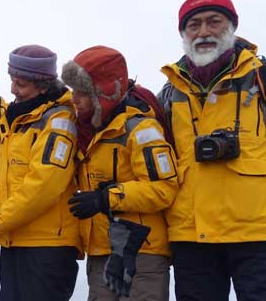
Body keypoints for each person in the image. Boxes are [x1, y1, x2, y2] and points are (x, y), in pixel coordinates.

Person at [158, 0, 266, 301]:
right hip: (191, 236)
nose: (204, 32)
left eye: (214, 21)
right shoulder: (169, 93)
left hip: (259, 233)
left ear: (232, 26)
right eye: (193, 25)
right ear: (183, 33)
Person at [61, 46, 178, 301]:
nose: (75, 99)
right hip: (102, 253)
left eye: (83, 91)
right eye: (73, 91)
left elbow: (164, 189)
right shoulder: (87, 131)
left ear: (104, 90)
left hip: (142, 255)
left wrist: (106, 199)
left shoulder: (142, 129)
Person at [0, 45, 79, 301]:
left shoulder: (60, 121)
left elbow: (44, 183)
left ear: (43, 86)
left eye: (20, 84)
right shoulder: (18, 119)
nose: (12, 89)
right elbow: (17, 174)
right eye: (12, 81)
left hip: (47, 247)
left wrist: (0, 220)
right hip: (16, 240)